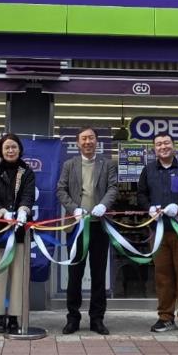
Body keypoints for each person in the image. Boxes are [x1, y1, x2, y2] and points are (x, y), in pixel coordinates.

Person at [57, 126, 118, 335]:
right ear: (78, 143)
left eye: (91, 138)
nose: (87, 142)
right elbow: (61, 189)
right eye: (83, 139)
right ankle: (73, 318)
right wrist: (74, 209)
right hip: (77, 226)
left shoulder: (107, 164)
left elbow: (113, 188)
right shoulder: (69, 164)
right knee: (75, 274)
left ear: (96, 141)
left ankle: (97, 319)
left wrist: (103, 205)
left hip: (100, 225)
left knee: (98, 274)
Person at [137, 133, 178, 335]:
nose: (162, 147)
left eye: (166, 143)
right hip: (159, 231)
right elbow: (141, 194)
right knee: (163, 275)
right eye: (158, 144)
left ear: (174, 146)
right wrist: (148, 208)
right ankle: (165, 317)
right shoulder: (148, 170)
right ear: (154, 149)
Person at [0, 133, 35, 334]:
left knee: (18, 276)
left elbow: (28, 196)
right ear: (1, 151)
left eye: (14, 147)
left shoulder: (27, 172)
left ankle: (14, 316)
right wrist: (2, 212)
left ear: (19, 149)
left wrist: (23, 211)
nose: (10, 150)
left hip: (20, 231)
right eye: (7, 148)